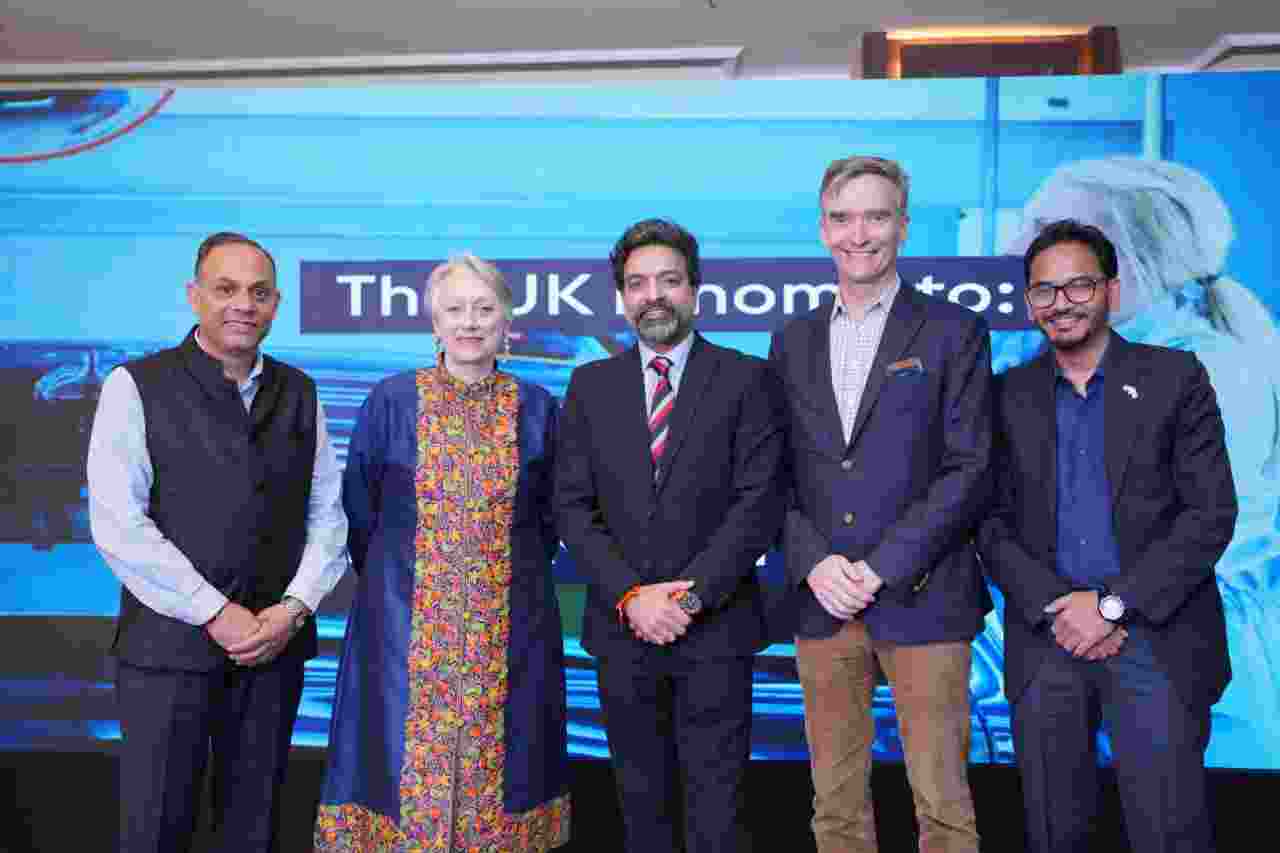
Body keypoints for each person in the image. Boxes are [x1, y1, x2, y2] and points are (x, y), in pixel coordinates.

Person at [1001, 156, 1280, 758]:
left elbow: (1180, 535)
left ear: (1130, 256)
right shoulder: (1076, 362)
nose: (1016, 247)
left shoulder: (1210, 370)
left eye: (1050, 229)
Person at [86, 231, 349, 852]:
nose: (243, 305)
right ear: (194, 296)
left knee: (252, 833)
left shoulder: (300, 391)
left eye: (259, 292)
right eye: (226, 289)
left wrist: (293, 609)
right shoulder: (135, 385)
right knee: (155, 832)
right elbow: (119, 523)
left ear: (276, 304)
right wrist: (214, 611)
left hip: (273, 652)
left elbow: (328, 516)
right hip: (166, 656)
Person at [980, 219, 1237, 851]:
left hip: (1156, 641)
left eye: (1079, 286)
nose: (1060, 303)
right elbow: (987, 522)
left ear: (1111, 292)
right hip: (1048, 643)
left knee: (1169, 834)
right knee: (1053, 834)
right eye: (1044, 290)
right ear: (1029, 302)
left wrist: (1112, 606)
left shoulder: (1176, 378)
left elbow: (1209, 514)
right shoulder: (1005, 395)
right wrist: (1058, 606)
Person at [768, 155, 992, 853]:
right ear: (822, 228)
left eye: (875, 216)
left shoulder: (954, 331)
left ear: (903, 225)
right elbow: (773, 473)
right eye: (842, 218)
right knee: (835, 809)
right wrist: (813, 562)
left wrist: (881, 567)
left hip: (925, 598)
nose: (857, 234)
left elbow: (969, 467)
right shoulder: (792, 339)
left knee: (944, 808)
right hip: (823, 602)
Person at [314, 253, 570, 852]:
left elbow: (551, 522)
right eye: (455, 309)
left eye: (484, 309)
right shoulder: (392, 402)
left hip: (509, 631)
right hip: (400, 631)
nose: (470, 322)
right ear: (434, 322)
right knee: (391, 775)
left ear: (507, 322)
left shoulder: (537, 408)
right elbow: (360, 514)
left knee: (507, 780)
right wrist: (404, 588)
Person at [554, 218, 785, 853]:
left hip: (716, 631)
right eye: (637, 283)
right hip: (623, 632)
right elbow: (571, 508)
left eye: (668, 281)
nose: (653, 295)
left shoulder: (748, 379)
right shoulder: (590, 386)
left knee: (718, 817)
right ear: (621, 298)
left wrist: (687, 599)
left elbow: (759, 505)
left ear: (695, 291)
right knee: (642, 813)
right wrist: (633, 596)